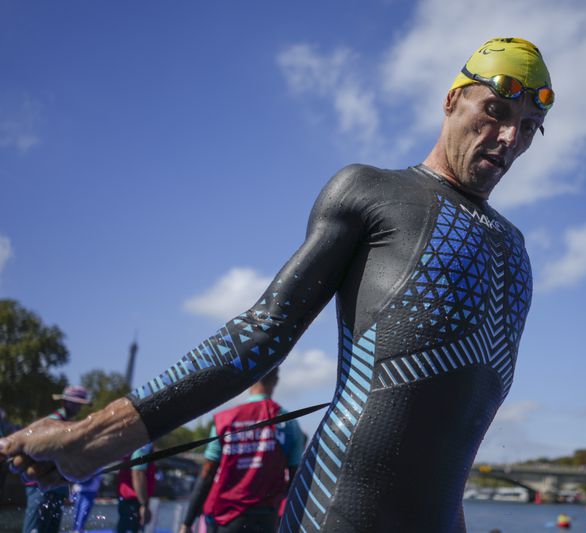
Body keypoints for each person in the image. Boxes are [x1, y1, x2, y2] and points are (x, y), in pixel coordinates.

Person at [0, 37, 552, 532]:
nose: (508, 138)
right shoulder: (372, 190)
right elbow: (262, 332)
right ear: (452, 100)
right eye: (495, 111)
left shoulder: (517, 251)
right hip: (338, 513)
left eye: (528, 127)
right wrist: (93, 437)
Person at [180, 369, 304, 533]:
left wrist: (187, 522)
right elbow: (296, 478)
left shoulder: (225, 420)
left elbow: (207, 474)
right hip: (267, 519)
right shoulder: (289, 423)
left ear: (249, 381)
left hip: (226, 517)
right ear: (275, 380)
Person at [22, 385, 91, 533]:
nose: (79, 407)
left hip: (56, 488)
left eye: (80, 404)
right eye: (75, 403)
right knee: (35, 529)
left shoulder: (68, 425)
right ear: (65, 402)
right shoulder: (50, 423)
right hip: (39, 486)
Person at [116, 442, 156, 533]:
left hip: (131, 499)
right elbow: (138, 473)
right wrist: (144, 505)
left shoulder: (139, 442)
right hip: (132, 500)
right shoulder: (143, 444)